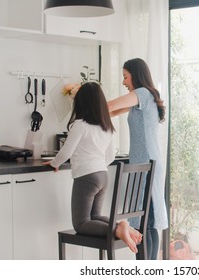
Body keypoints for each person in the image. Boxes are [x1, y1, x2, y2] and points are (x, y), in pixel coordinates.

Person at [42, 82, 142, 253]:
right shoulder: (107, 127)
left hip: (87, 176)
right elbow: (109, 156)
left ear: (80, 103)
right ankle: (121, 225)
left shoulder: (80, 125)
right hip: (103, 176)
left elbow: (66, 152)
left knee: (81, 223)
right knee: (94, 217)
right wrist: (97, 166)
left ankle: (118, 229)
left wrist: (54, 163)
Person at [107, 58, 169, 260]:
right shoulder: (142, 98)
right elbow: (113, 111)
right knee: (146, 223)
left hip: (146, 165)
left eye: (125, 77)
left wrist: (86, 103)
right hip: (146, 164)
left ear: (136, 74)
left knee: (146, 223)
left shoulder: (141, 94)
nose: (124, 82)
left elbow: (109, 105)